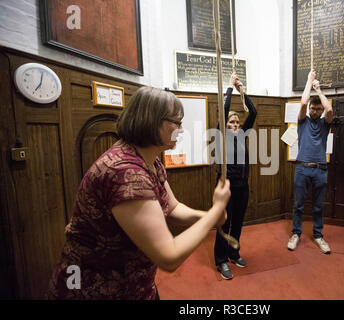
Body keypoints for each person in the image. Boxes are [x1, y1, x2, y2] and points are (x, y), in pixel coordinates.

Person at [47, 87, 230, 299]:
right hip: (95, 289)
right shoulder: (125, 172)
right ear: (152, 121)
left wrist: (208, 217)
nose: (181, 129)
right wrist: (216, 211)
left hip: (135, 285)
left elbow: (172, 208)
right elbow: (168, 256)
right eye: (177, 122)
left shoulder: (150, 161)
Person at [214, 72, 257, 280]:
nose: (234, 125)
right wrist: (230, 87)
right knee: (225, 222)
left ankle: (233, 253)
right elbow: (223, 111)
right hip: (226, 186)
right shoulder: (220, 134)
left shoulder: (242, 135)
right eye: (231, 122)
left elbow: (254, 112)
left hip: (242, 186)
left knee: (238, 221)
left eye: (237, 122)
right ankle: (221, 260)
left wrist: (243, 92)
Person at [287, 69, 333, 253]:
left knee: (318, 205)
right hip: (302, 168)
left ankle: (318, 235)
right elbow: (304, 101)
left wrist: (319, 90)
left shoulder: (325, 123)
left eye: (317, 109)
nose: (315, 111)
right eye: (313, 109)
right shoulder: (303, 121)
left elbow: (330, 109)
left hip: (320, 169)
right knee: (298, 204)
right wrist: (309, 80)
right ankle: (296, 233)